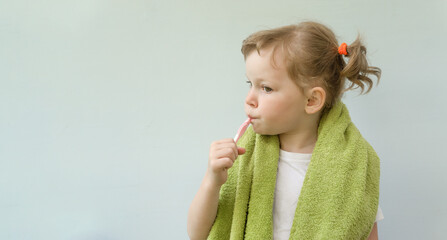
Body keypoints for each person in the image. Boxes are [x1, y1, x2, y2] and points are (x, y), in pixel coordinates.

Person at [187, 21, 383, 240]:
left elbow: (365, 230)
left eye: (266, 88)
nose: (250, 99)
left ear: (311, 100)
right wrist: (212, 181)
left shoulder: (352, 164)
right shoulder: (242, 157)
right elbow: (197, 235)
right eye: (249, 84)